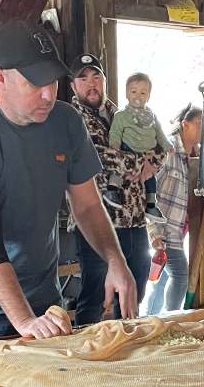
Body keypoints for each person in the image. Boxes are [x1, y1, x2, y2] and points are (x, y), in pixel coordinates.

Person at [0, 22, 137, 343]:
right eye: (35, 83)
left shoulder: (66, 122)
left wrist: (115, 260)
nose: (48, 94)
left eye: (52, 81)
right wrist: (24, 321)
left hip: (45, 296)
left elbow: (88, 205)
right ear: (0, 78)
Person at [68, 52, 165, 324]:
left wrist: (153, 163)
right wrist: (137, 162)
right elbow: (93, 156)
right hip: (97, 224)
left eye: (96, 76)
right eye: (83, 78)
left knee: (135, 293)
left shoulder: (124, 113)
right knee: (95, 298)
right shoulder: (70, 119)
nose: (91, 83)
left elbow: (159, 143)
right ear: (73, 85)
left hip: (134, 220)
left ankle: (128, 355)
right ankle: (88, 361)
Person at [145, 103, 202, 315]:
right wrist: (154, 231)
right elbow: (148, 189)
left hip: (177, 229)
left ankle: (150, 322)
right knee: (180, 275)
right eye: (199, 123)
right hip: (164, 229)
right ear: (184, 125)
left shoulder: (194, 157)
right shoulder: (167, 150)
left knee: (163, 280)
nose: (203, 127)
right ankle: (170, 321)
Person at [105, 72, 170, 222]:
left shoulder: (151, 116)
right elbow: (115, 132)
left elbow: (160, 133)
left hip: (148, 153)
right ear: (127, 94)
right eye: (133, 92)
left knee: (151, 180)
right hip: (128, 149)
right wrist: (114, 145)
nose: (138, 96)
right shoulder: (121, 115)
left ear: (148, 96)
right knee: (119, 168)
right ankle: (112, 190)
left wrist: (167, 146)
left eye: (143, 92)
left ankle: (151, 205)